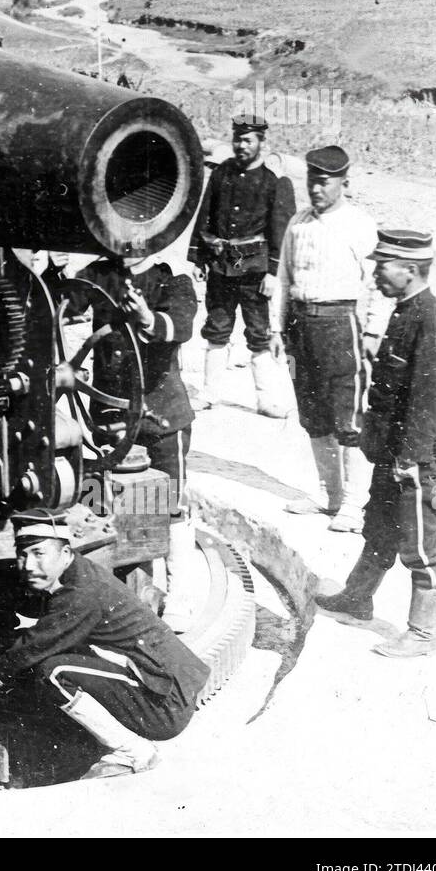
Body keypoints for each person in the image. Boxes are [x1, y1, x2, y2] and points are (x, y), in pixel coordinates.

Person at [0, 508, 211, 778]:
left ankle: (133, 752)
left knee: (54, 673)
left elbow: (36, 644)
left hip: (165, 706)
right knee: (62, 655)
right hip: (165, 685)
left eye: (39, 553)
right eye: (22, 555)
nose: (28, 565)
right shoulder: (79, 571)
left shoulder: (80, 594)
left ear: (64, 554)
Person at [315, 231, 436, 658]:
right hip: (397, 452)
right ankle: (357, 598)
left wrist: (410, 460)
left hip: (420, 455)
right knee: (379, 527)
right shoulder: (406, 312)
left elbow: (429, 401)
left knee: (419, 544)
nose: (376, 271)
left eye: (383, 265)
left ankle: (421, 634)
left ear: (410, 270)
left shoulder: (431, 322)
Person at [78, 253, 200, 631]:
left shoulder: (172, 278)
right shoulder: (100, 273)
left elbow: (179, 325)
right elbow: (66, 301)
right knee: (103, 499)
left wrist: (147, 317)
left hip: (161, 415)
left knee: (170, 504)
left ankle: (181, 598)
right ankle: (116, 592)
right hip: (110, 414)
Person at [270, 146, 389, 533]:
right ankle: (328, 494)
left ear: (344, 183)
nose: (316, 190)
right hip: (301, 326)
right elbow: (284, 280)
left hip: (341, 325)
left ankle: (353, 504)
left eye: (324, 182)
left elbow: (378, 284)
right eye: (312, 182)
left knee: (347, 416)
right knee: (313, 414)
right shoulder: (298, 224)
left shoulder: (359, 224)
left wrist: (372, 331)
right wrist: (276, 328)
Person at [189, 113, 297, 417]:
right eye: (237, 138)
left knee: (259, 332)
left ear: (262, 142)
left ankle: (267, 400)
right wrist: (198, 257)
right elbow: (205, 214)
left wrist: (274, 273)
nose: (241, 145)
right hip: (221, 267)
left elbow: (281, 232)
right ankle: (210, 394)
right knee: (216, 327)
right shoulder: (221, 173)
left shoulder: (272, 183)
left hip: (254, 270)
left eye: (248, 140)